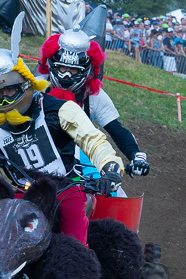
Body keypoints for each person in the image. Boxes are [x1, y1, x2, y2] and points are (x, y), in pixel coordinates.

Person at [0, 14, 124, 246]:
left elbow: (94, 141)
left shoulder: (60, 109)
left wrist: (110, 166)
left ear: (23, 84)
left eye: (9, 90)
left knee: (73, 245)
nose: (4, 98)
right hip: (21, 192)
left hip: (67, 188)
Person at [37, 27, 151, 179]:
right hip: (39, 160)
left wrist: (136, 155)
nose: (66, 75)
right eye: (62, 68)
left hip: (82, 165)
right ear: (52, 65)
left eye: (73, 70)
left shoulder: (94, 95)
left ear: (85, 70)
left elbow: (117, 131)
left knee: (114, 195)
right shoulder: (35, 89)